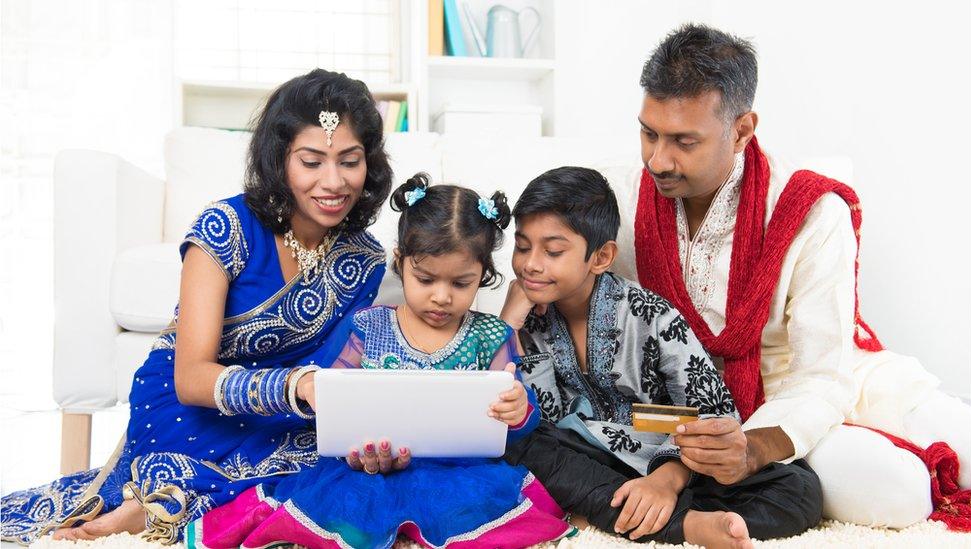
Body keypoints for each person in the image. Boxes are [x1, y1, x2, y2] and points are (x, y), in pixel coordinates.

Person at [1, 68, 394, 545]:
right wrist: (295, 384)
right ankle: (150, 509)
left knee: (358, 473)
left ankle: (158, 509)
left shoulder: (364, 260)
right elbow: (190, 378)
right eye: (311, 162)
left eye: (349, 161)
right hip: (192, 406)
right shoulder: (224, 227)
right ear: (279, 160)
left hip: (289, 417)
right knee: (261, 480)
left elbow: (337, 367)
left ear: (368, 164)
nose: (333, 182)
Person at [630, 24, 971, 530]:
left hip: (829, 377)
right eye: (648, 132)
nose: (658, 159)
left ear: (743, 130)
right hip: (735, 410)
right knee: (900, 496)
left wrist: (752, 452)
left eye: (684, 141)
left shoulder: (811, 209)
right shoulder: (622, 197)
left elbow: (823, 372)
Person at [185, 175, 574, 549]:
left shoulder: (491, 335)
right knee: (345, 512)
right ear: (401, 262)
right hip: (368, 470)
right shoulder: (367, 327)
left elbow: (519, 423)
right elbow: (331, 399)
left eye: (460, 284)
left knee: (478, 511)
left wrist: (519, 409)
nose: (442, 297)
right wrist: (354, 444)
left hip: (459, 470)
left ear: (483, 276)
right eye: (425, 279)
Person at [499, 166, 822, 549]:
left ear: (601, 257)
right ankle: (685, 527)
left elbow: (713, 413)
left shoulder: (651, 315)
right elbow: (526, 413)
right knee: (522, 446)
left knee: (799, 490)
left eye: (552, 251)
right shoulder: (525, 320)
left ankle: (617, 510)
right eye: (522, 247)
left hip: (672, 462)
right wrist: (508, 324)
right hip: (583, 458)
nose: (531, 264)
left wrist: (665, 480)